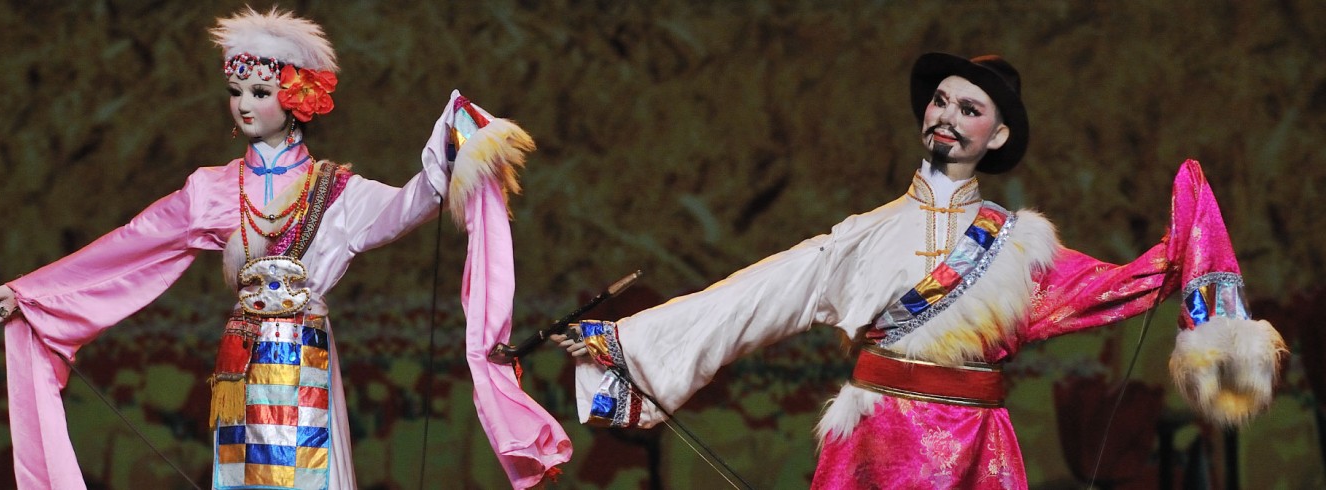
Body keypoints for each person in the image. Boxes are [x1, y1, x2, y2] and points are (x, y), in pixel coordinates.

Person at [550, 53, 1286, 488]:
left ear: (996, 134)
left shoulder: (1021, 246)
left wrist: (1192, 237)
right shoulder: (862, 236)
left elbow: (1121, 286)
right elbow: (751, 297)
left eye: (969, 108)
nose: (947, 115)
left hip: (977, 447)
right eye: (940, 101)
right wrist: (624, 344)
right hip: (875, 442)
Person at [0, 8, 562, 489]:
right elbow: (129, 248)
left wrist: (454, 149)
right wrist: (28, 293)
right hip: (242, 363)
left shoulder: (335, 191)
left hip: (305, 356)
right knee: (242, 474)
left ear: (296, 96)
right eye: (237, 91)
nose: (245, 103)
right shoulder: (212, 189)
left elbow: (408, 205)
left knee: (309, 473)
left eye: (260, 90)